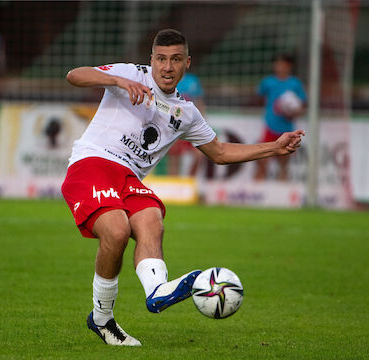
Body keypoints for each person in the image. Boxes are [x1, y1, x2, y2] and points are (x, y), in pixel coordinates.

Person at [62, 29, 304, 346]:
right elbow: (74, 76)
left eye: (175, 59)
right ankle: (102, 318)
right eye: (161, 59)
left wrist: (273, 148)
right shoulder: (130, 74)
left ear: (186, 63)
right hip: (92, 163)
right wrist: (118, 82)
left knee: (151, 218)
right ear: (151, 60)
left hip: (129, 178)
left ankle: (157, 291)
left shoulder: (186, 113)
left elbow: (219, 153)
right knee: (118, 231)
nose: (167, 67)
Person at [254, 53, 307, 181]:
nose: (280, 67)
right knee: (263, 161)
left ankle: (282, 194)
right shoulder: (268, 82)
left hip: (287, 129)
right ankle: (256, 192)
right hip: (270, 127)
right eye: (277, 64)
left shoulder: (295, 84)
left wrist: (293, 111)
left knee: (284, 163)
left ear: (289, 66)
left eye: (283, 64)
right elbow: (258, 97)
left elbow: (303, 106)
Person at [167, 72, 206, 176]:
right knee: (175, 158)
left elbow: (199, 102)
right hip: (174, 125)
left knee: (199, 155)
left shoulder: (193, 80)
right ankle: (174, 187)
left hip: (191, 125)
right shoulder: (169, 79)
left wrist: (202, 121)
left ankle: (190, 181)